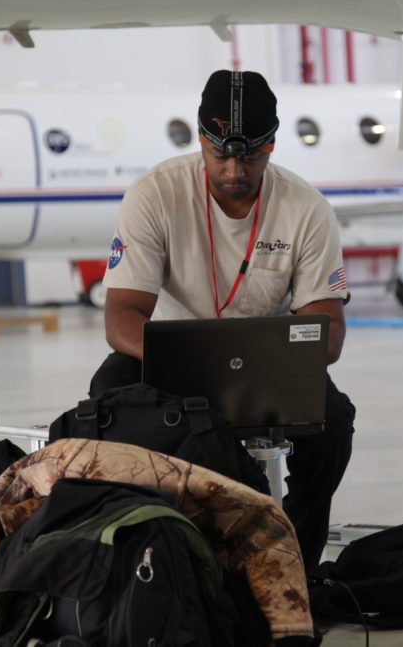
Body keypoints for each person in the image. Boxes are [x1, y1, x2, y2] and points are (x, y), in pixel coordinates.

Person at [89, 69, 356, 571]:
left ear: (272, 144)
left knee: (334, 423)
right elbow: (121, 318)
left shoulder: (307, 209)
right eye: (221, 155)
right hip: (167, 360)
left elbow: (330, 330)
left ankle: (297, 565)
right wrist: (189, 359)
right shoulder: (155, 195)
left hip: (265, 365)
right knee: (107, 396)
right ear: (201, 141)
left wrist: (280, 356)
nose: (234, 169)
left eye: (251, 155)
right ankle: (137, 557)